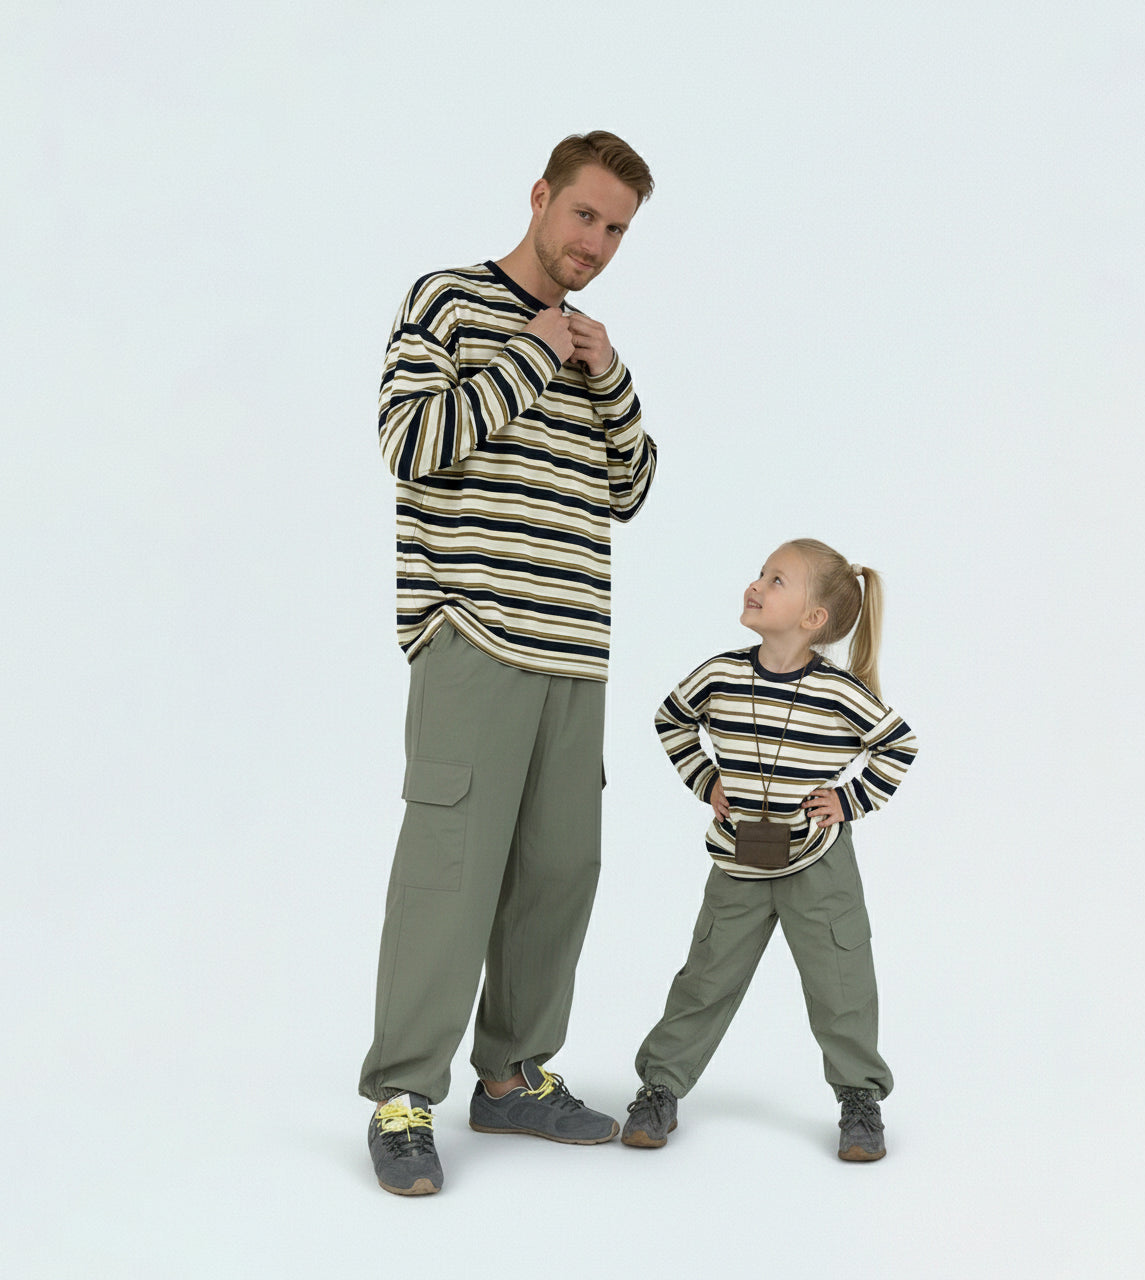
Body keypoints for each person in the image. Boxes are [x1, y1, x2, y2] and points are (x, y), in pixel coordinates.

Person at [360, 131, 656, 1196]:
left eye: (617, 228)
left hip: (575, 646)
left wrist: (606, 372)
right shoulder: (446, 301)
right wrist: (532, 353)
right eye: (584, 215)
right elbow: (410, 442)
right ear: (539, 197)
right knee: (449, 870)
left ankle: (514, 1075)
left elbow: (630, 486)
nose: (597, 242)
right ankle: (402, 1095)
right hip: (474, 630)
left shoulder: (587, 344)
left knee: (556, 873)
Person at [620, 539, 918, 1161]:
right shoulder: (720, 675)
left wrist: (849, 800)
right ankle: (660, 1089)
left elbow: (898, 747)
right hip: (737, 861)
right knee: (705, 979)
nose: (756, 585)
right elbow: (671, 719)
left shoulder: (842, 694)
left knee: (842, 985)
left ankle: (860, 1099)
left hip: (819, 866)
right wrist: (708, 781)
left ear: (814, 620)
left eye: (777, 580)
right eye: (760, 574)